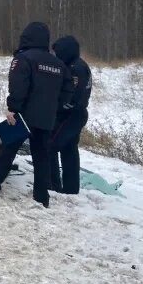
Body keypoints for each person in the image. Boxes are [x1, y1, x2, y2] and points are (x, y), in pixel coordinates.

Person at [0, 22, 71, 207]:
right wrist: (54, 107)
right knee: (42, 157)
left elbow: (18, 87)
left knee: (7, 151)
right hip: (46, 118)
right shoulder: (59, 64)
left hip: (23, 116)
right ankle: (41, 197)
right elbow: (68, 91)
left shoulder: (23, 59)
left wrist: (13, 108)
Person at [50, 35, 92, 194]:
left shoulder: (76, 68)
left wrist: (57, 106)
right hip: (75, 113)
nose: (55, 56)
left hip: (70, 114)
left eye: (57, 52)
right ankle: (71, 188)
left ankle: (52, 185)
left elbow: (72, 95)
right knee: (69, 150)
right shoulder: (76, 64)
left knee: (50, 146)